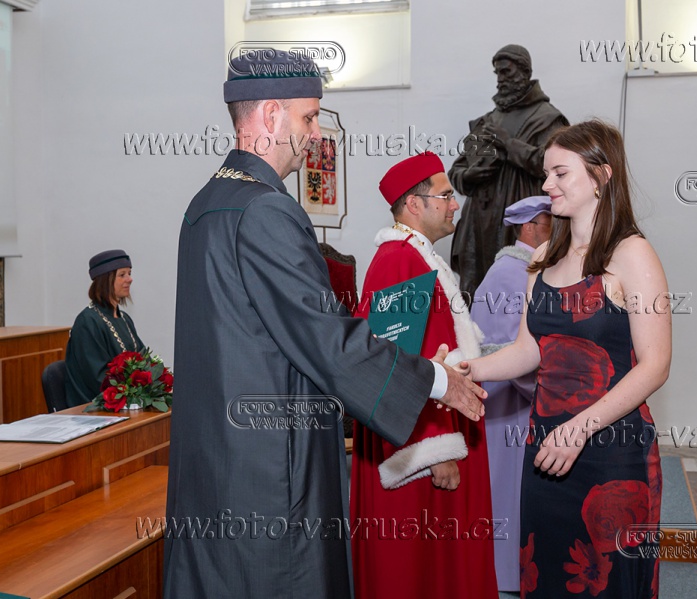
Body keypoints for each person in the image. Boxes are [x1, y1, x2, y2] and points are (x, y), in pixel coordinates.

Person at [164, 51, 486, 599]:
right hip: (272, 473)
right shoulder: (266, 209)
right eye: (310, 117)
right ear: (271, 115)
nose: (316, 134)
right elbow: (329, 342)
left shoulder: (207, 203)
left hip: (219, 461)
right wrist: (437, 381)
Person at [464, 120, 670, 598]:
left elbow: (656, 364)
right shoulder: (543, 258)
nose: (547, 185)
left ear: (601, 176)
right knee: (549, 575)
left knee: (606, 582)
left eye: (560, 174)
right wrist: (466, 369)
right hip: (545, 447)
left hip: (610, 452)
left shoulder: (632, 254)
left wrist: (579, 429)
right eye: (546, 174)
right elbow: (529, 349)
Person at [351, 152, 498, 599]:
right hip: (419, 442)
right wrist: (435, 451)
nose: (456, 204)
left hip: (440, 422)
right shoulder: (400, 260)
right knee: (419, 569)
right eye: (446, 195)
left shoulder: (420, 257)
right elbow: (393, 364)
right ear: (414, 204)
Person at [469, 195, 552, 592]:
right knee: (506, 488)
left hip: (517, 398)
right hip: (510, 399)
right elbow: (503, 346)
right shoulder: (510, 272)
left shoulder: (528, 269)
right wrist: (547, 390)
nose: (556, 231)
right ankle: (506, 573)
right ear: (528, 227)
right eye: (549, 224)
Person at [448, 44, 568, 301]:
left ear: (525, 72)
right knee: (477, 292)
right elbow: (458, 168)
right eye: (498, 73)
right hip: (480, 221)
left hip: (520, 217)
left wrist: (508, 143)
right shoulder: (488, 120)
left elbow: (552, 165)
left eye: (506, 72)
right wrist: (468, 176)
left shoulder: (547, 118)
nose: (500, 79)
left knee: (517, 291)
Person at [64, 249, 144, 407]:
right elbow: (98, 379)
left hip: (126, 402)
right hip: (95, 408)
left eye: (129, 273)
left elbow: (142, 359)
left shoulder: (124, 319)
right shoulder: (87, 322)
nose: (130, 279)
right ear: (105, 279)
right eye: (122, 275)